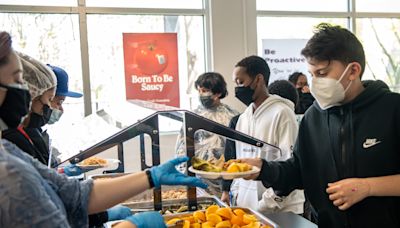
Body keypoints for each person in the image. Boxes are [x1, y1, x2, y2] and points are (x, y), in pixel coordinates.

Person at [0, 31, 207, 228]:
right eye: (17, 80)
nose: (25, 93)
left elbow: (73, 195)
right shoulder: (8, 172)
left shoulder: (7, 151)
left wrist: (151, 177)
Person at [243, 23, 400, 227]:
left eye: (323, 73)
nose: (314, 82)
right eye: (312, 74)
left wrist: (368, 187)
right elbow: (299, 171)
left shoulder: (393, 109)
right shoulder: (313, 117)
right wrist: (263, 169)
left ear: (353, 70)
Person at [221, 55, 304, 214]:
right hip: (248, 209)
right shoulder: (243, 118)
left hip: (281, 211)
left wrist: (266, 204)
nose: (237, 89)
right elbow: (239, 164)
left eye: (240, 82)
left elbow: (289, 167)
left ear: (258, 79)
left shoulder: (283, 113)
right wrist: (236, 195)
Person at [175, 72, 239, 196]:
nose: (201, 94)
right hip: (199, 175)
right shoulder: (193, 116)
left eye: (204, 91)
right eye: (199, 91)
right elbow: (182, 148)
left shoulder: (232, 116)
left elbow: (235, 149)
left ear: (218, 93)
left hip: (225, 176)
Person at [2, 51, 57, 166]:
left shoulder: (26, 129)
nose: (50, 106)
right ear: (33, 95)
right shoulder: (10, 138)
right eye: (50, 99)